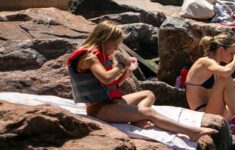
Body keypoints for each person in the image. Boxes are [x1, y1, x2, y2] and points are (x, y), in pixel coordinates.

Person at [67, 20, 216, 141]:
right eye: (115, 44)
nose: (116, 48)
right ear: (104, 39)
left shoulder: (101, 55)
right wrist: (121, 64)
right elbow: (106, 79)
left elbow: (111, 85)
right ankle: (191, 132)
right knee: (148, 112)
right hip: (98, 109)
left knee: (148, 94)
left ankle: (137, 119)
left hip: (110, 103)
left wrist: (125, 74)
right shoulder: (89, 58)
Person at [185, 32, 235, 129]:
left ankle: (234, 118)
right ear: (221, 50)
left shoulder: (215, 66)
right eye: (231, 53)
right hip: (204, 115)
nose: (232, 56)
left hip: (212, 109)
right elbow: (226, 73)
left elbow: (217, 91)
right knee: (226, 78)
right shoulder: (205, 61)